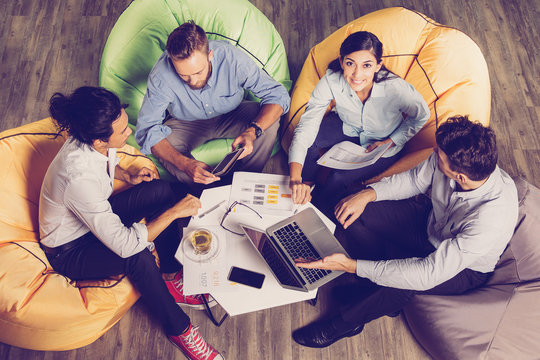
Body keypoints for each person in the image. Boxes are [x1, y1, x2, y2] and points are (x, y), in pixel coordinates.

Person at [291, 116, 518, 348]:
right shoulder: (455, 159)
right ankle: (370, 285)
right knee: (355, 212)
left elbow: (428, 274)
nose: (433, 151)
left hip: (465, 268)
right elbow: (414, 180)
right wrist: (368, 194)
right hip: (430, 223)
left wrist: (350, 265)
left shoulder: (490, 219)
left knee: (404, 283)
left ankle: (343, 325)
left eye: (438, 155)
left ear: (460, 176)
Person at [39, 87, 224, 360]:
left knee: (160, 191)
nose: (129, 133)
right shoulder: (77, 177)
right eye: (123, 131)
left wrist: (128, 174)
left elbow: (104, 162)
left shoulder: (87, 138)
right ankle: (181, 331)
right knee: (138, 256)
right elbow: (126, 246)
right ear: (99, 141)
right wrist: (174, 212)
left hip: (88, 222)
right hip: (71, 250)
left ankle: (171, 277)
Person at [135, 21, 290, 186]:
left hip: (233, 113)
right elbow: (148, 128)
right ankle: (208, 191)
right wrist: (184, 164)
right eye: (183, 75)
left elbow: (277, 95)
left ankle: (246, 182)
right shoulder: (161, 76)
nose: (192, 81)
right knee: (164, 146)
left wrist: (252, 132)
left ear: (210, 55)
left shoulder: (232, 58)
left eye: (198, 72)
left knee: (269, 123)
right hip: (185, 123)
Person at [288, 31, 429, 206]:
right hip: (348, 126)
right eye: (350, 64)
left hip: (383, 145)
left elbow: (422, 116)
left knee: (337, 178)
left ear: (378, 65)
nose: (357, 74)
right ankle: (306, 187)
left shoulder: (396, 89)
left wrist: (390, 141)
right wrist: (296, 179)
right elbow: (305, 129)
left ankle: (316, 208)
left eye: (366, 65)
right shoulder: (331, 80)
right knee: (308, 141)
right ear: (342, 62)